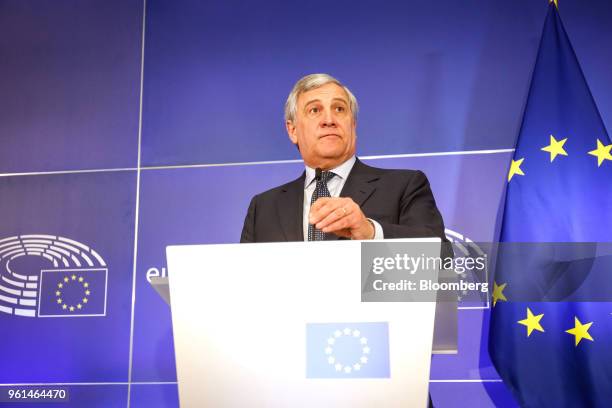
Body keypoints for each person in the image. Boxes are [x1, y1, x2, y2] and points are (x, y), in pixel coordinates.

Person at [240, 73, 447, 243]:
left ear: (353, 125)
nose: (329, 120)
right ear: (292, 130)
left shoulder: (404, 186)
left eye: (339, 109)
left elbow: (442, 262)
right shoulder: (263, 207)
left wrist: (371, 233)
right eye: (314, 110)